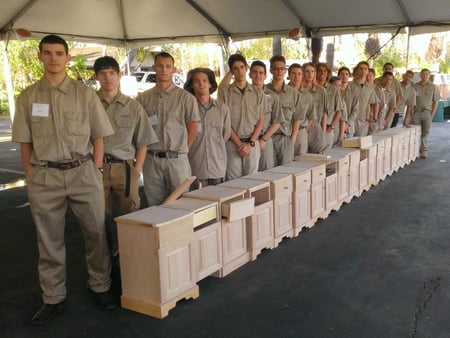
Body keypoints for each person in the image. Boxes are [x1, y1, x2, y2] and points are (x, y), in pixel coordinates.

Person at [12, 34, 117, 326]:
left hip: (83, 172)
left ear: (68, 58)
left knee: (96, 232)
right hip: (45, 175)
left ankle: (100, 286)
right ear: (40, 57)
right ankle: (53, 297)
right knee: (49, 240)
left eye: (59, 53)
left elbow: (98, 136)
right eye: (48, 53)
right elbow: (25, 142)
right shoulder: (28, 97)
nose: (54, 58)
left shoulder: (84, 95)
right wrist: (31, 177)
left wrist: (96, 170)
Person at [93, 56, 158, 257]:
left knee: (129, 216)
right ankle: (104, 264)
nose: (108, 78)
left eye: (112, 73)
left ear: (119, 76)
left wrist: (136, 169)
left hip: (125, 169)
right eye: (103, 74)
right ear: (96, 77)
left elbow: (143, 142)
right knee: (97, 219)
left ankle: (128, 261)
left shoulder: (133, 106)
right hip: (95, 167)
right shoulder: (89, 104)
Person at [137, 52, 200, 206]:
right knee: (155, 205)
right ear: (154, 68)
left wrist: (183, 150)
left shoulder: (186, 98)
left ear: (174, 69)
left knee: (182, 203)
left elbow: (193, 127)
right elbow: (139, 129)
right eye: (160, 66)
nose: (164, 70)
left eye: (168, 66)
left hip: (177, 160)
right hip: (152, 160)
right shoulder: (143, 98)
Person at [217, 54, 265, 179]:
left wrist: (251, 143)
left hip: (252, 142)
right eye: (235, 68)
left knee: (252, 181)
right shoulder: (225, 92)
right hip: (233, 143)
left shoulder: (258, 92)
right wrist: (239, 144)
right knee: (233, 182)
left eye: (242, 67)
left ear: (246, 68)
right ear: (231, 71)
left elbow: (261, 119)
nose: (239, 71)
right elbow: (224, 121)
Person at [184, 67, 231, 186]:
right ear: (191, 85)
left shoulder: (222, 108)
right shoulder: (186, 109)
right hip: (196, 166)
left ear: (210, 84)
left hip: (217, 165)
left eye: (205, 80)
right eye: (197, 81)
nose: (201, 84)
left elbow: (225, 135)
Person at [265, 55, 303, 165]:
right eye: (276, 69)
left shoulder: (293, 93)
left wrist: (293, 138)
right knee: (268, 171)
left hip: (285, 137)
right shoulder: (264, 91)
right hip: (268, 138)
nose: (279, 72)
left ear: (285, 71)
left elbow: (297, 117)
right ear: (271, 70)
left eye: (282, 69)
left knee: (286, 172)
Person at [247, 60, 283, 171]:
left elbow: (277, 122)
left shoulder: (273, 96)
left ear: (265, 75)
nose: (258, 75)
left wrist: (263, 140)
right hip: (246, 140)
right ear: (250, 74)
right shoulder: (244, 95)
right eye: (255, 72)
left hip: (264, 139)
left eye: (261, 73)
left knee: (267, 173)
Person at [406, 68, 440, 158]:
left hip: (427, 113)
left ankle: (424, 150)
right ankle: (414, 151)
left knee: (425, 132)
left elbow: (436, 101)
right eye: (423, 74)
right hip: (416, 113)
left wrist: (432, 114)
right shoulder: (415, 87)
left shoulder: (433, 87)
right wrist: (410, 112)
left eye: (426, 74)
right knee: (415, 132)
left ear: (429, 76)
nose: (425, 76)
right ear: (420, 75)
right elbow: (411, 100)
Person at [316, 63, 346, 148]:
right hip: (313, 129)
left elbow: (339, 110)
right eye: (320, 71)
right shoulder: (312, 88)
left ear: (328, 73)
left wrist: (332, 126)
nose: (322, 73)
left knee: (327, 156)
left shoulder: (333, 89)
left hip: (327, 129)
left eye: (325, 71)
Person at [288, 63, 314, 155]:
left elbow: (311, 117)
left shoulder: (307, 95)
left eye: (299, 74)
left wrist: (304, 130)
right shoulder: (283, 93)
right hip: (285, 132)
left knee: (301, 162)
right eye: (293, 74)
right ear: (289, 75)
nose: (296, 77)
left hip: (300, 132)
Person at [349, 61, 379, 137]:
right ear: (357, 70)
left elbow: (369, 104)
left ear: (368, 71)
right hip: (349, 120)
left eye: (365, 69)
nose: (363, 71)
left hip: (362, 121)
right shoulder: (349, 85)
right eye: (361, 69)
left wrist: (367, 118)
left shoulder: (370, 88)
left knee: (360, 144)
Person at [303, 62, 327, 153]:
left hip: (316, 129)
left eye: (312, 72)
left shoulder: (321, 91)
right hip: (301, 128)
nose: (310, 74)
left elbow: (325, 114)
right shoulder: (297, 90)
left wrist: (323, 133)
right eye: (307, 71)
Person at [368, 70, 396, 134]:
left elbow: (392, 108)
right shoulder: (375, 89)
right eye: (386, 79)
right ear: (382, 78)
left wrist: (386, 119)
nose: (388, 81)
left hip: (382, 117)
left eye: (390, 80)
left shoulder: (392, 93)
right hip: (371, 117)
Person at [338, 66, 359, 138]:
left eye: (347, 74)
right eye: (342, 74)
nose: (344, 76)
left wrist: (347, 124)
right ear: (338, 75)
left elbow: (355, 110)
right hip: (336, 127)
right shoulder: (334, 90)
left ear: (349, 76)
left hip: (349, 128)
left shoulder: (354, 91)